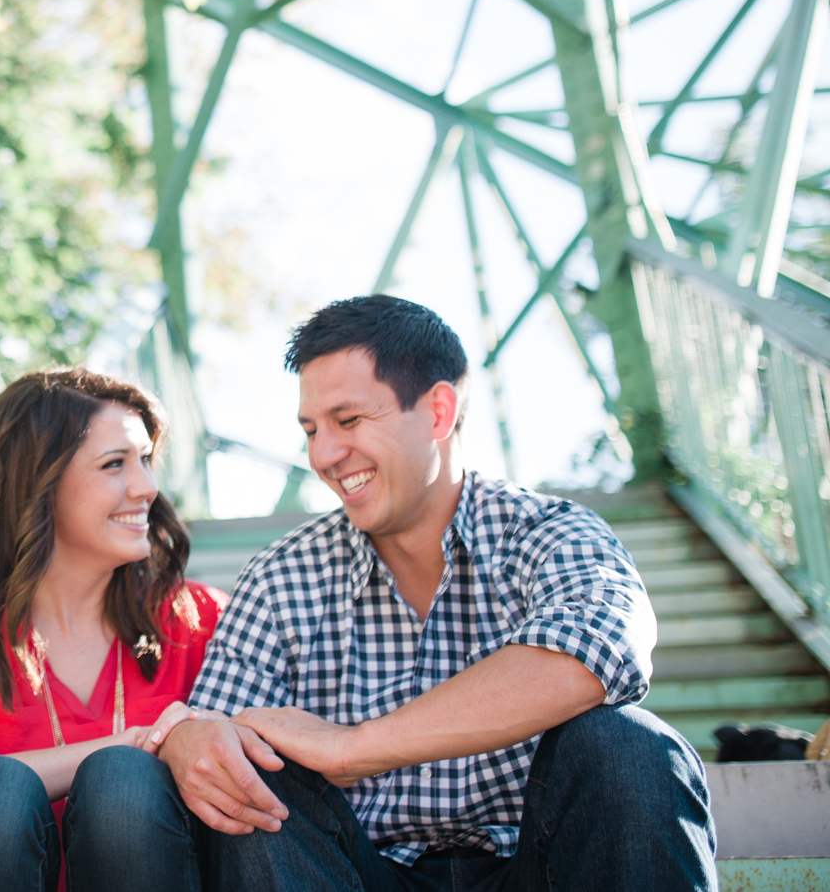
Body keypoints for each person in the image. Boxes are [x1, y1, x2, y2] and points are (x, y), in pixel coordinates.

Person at [156, 295, 718, 891]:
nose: (323, 455)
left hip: (540, 867)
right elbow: (215, 735)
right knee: (245, 784)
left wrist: (356, 748)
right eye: (311, 430)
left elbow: (600, 650)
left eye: (348, 422)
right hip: (358, 873)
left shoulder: (546, 531)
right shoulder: (279, 576)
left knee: (628, 745)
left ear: (439, 412)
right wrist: (192, 738)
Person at [0, 367, 266, 892]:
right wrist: (133, 743)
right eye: (115, 464)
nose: (147, 487)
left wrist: (132, 760)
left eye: (145, 461)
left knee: (125, 784)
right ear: (39, 484)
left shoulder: (199, 618)